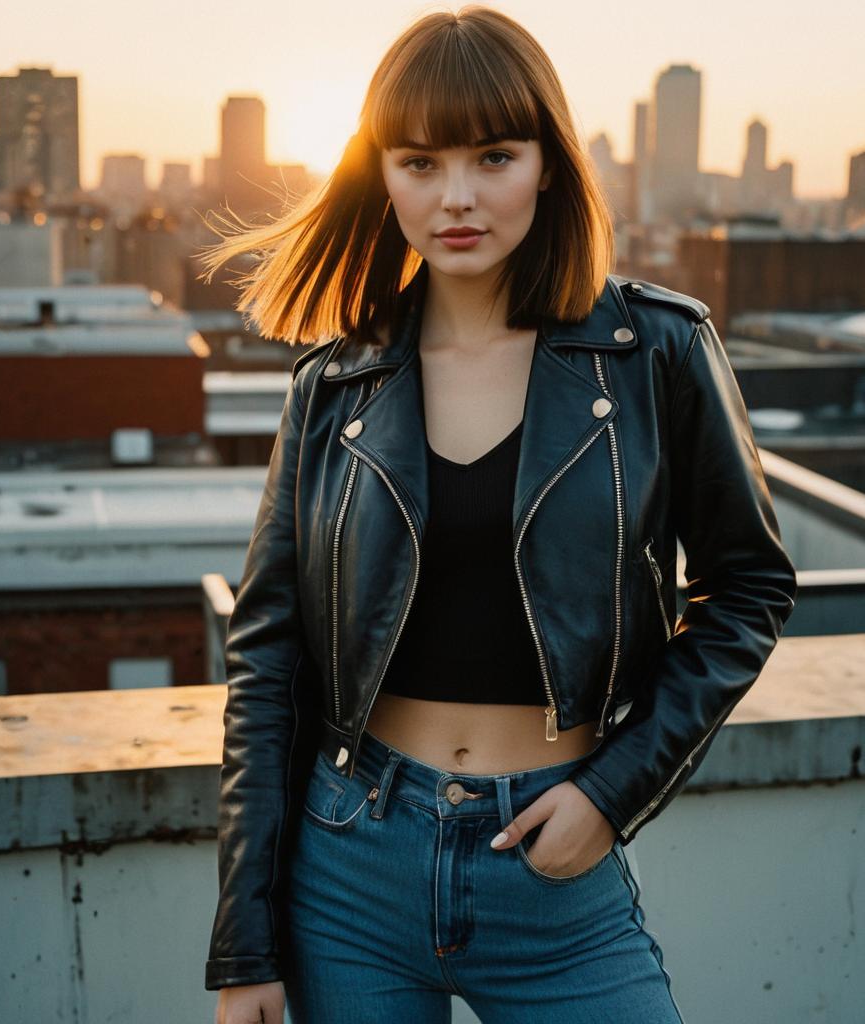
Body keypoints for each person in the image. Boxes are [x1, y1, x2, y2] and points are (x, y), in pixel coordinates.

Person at [198, 6, 797, 1023]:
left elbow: (747, 587)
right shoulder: (335, 384)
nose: (457, 196)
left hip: (555, 870)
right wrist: (244, 943)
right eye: (420, 162)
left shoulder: (656, 350)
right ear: (380, 175)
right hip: (350, 867)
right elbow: (269, 657)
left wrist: (613, 794)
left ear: (548, 163)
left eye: (493, 155)